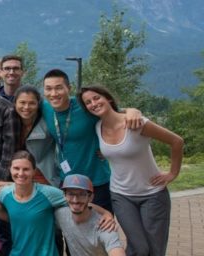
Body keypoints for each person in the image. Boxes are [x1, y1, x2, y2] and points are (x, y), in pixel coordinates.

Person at [80, 86, 182, 256]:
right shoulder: (97, 127)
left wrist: (173, 173)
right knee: (138, 247)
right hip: (121, 196)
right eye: (88, 102)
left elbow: (176, 141)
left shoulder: (136, 122)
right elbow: (116, 152)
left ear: (108, 98)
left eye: (96, 98)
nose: (93, 103)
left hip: (152, 194)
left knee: (155, 249)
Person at [41, 69, 143, 211]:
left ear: (68, 88)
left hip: (96, 180)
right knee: (73, 228)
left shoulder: (83, 106)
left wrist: (132, 111)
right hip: (67, 181)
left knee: (102, 227)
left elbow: (113, 112)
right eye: (48, 89)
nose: (53, 94)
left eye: (59, 88)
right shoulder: (45, 108)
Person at [0, 151, 118, 256]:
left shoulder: (48, 193)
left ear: (34, 171)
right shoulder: (4, 194)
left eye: (26, 169)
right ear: (10, 169)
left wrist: (105, 213)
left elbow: (75, 201)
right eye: (16, 168)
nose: (20, 173)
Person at [54, 175, 126, 256]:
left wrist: (106, 213)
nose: (75, 200)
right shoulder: (60, 215)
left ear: (91, 197)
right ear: (64, 196)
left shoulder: (104, 225)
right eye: (70, 194)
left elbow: (116, 249)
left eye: (82, 194)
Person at [13, 86, 59, 186]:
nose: (26, 107)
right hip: (17, 177)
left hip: (43, 178)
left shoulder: (47, 125)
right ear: (15, 103)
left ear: (38, 105)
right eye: (22, 102)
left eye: (32, 103)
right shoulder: (10, 124)